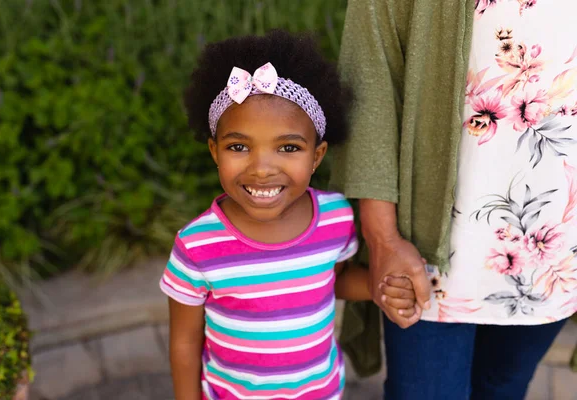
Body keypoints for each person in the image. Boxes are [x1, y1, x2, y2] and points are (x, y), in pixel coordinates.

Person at [331, 0, 577, 399]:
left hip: (557, 245)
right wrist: (383, 239)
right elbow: (371, 72)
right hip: (428, 247)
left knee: (503, 387)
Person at [158, 29, 416, 400]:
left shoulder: (335, 218)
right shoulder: (196, 246)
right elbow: (184, 342)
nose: (262, 168)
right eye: (239, 146)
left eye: (288, 147)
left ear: (317, 155)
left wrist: (378, 287)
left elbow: (331, 283)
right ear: (214, 151)